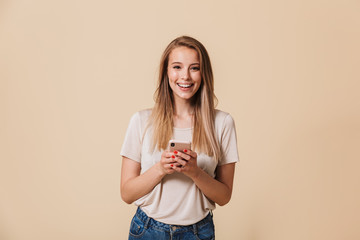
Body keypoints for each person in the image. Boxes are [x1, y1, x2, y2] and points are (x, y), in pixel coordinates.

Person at [120, 36, 239, 240]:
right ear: (166, 72)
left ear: (204, 74)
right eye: (177, 67)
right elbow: (127, 193)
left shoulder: (222, 123)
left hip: (198, 233)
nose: (185, 76)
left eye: (194, 68)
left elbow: (224, 196)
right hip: (147, 230)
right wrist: (160, 169)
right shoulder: (141, 121)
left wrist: (195, 172)